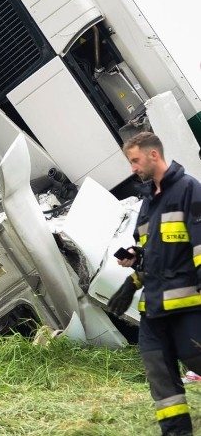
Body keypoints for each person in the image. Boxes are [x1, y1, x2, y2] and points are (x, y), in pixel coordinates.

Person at [108, 131, 201, 436]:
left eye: (134, 160)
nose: (132, 168)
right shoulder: (148, 203)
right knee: (162, 382)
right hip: (154, 311)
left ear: (153, 155)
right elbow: (151, 254)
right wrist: (132, 277)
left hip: (187, 309)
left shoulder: (189, 190)